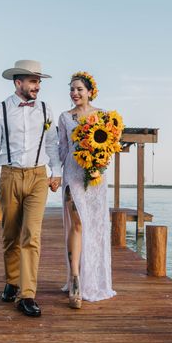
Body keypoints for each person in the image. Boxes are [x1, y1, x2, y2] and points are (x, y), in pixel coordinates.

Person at [0, 59, 62, 317]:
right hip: (10, 176)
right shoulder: (0, 110)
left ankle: (27, 295)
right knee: (10, 234)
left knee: (32, 235)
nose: (37, 86)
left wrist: (56, 172)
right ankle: (12, 280)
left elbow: (52, 144)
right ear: (18, 83)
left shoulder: (46, 110)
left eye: (38, 81)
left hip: (38, 177)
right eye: (33, 81)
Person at [58, 71, 116, 309]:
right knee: (78, 223)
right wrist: (55, 173)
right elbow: (62, 149)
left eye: (79, 89)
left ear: (90, 91)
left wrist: (98, 165)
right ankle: (75, 278)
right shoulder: (65, 117)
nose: (75, 93)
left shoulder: (103, 116)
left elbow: (110, 145)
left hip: (95, 177)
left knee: (94, 224)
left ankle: (95, 277)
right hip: (73, 174)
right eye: (72, 89)